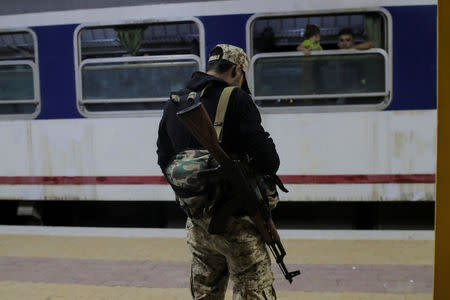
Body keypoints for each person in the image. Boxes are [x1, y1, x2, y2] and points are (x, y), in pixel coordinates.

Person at [156, 44, 280, 299]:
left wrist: (196, 193)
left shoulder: (175, 103)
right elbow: (269, 162)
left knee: (206, 292)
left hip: (198, 223)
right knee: (253, 288)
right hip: (239, 223)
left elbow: (164, 160)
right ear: (237, 70)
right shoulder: (236, 98)